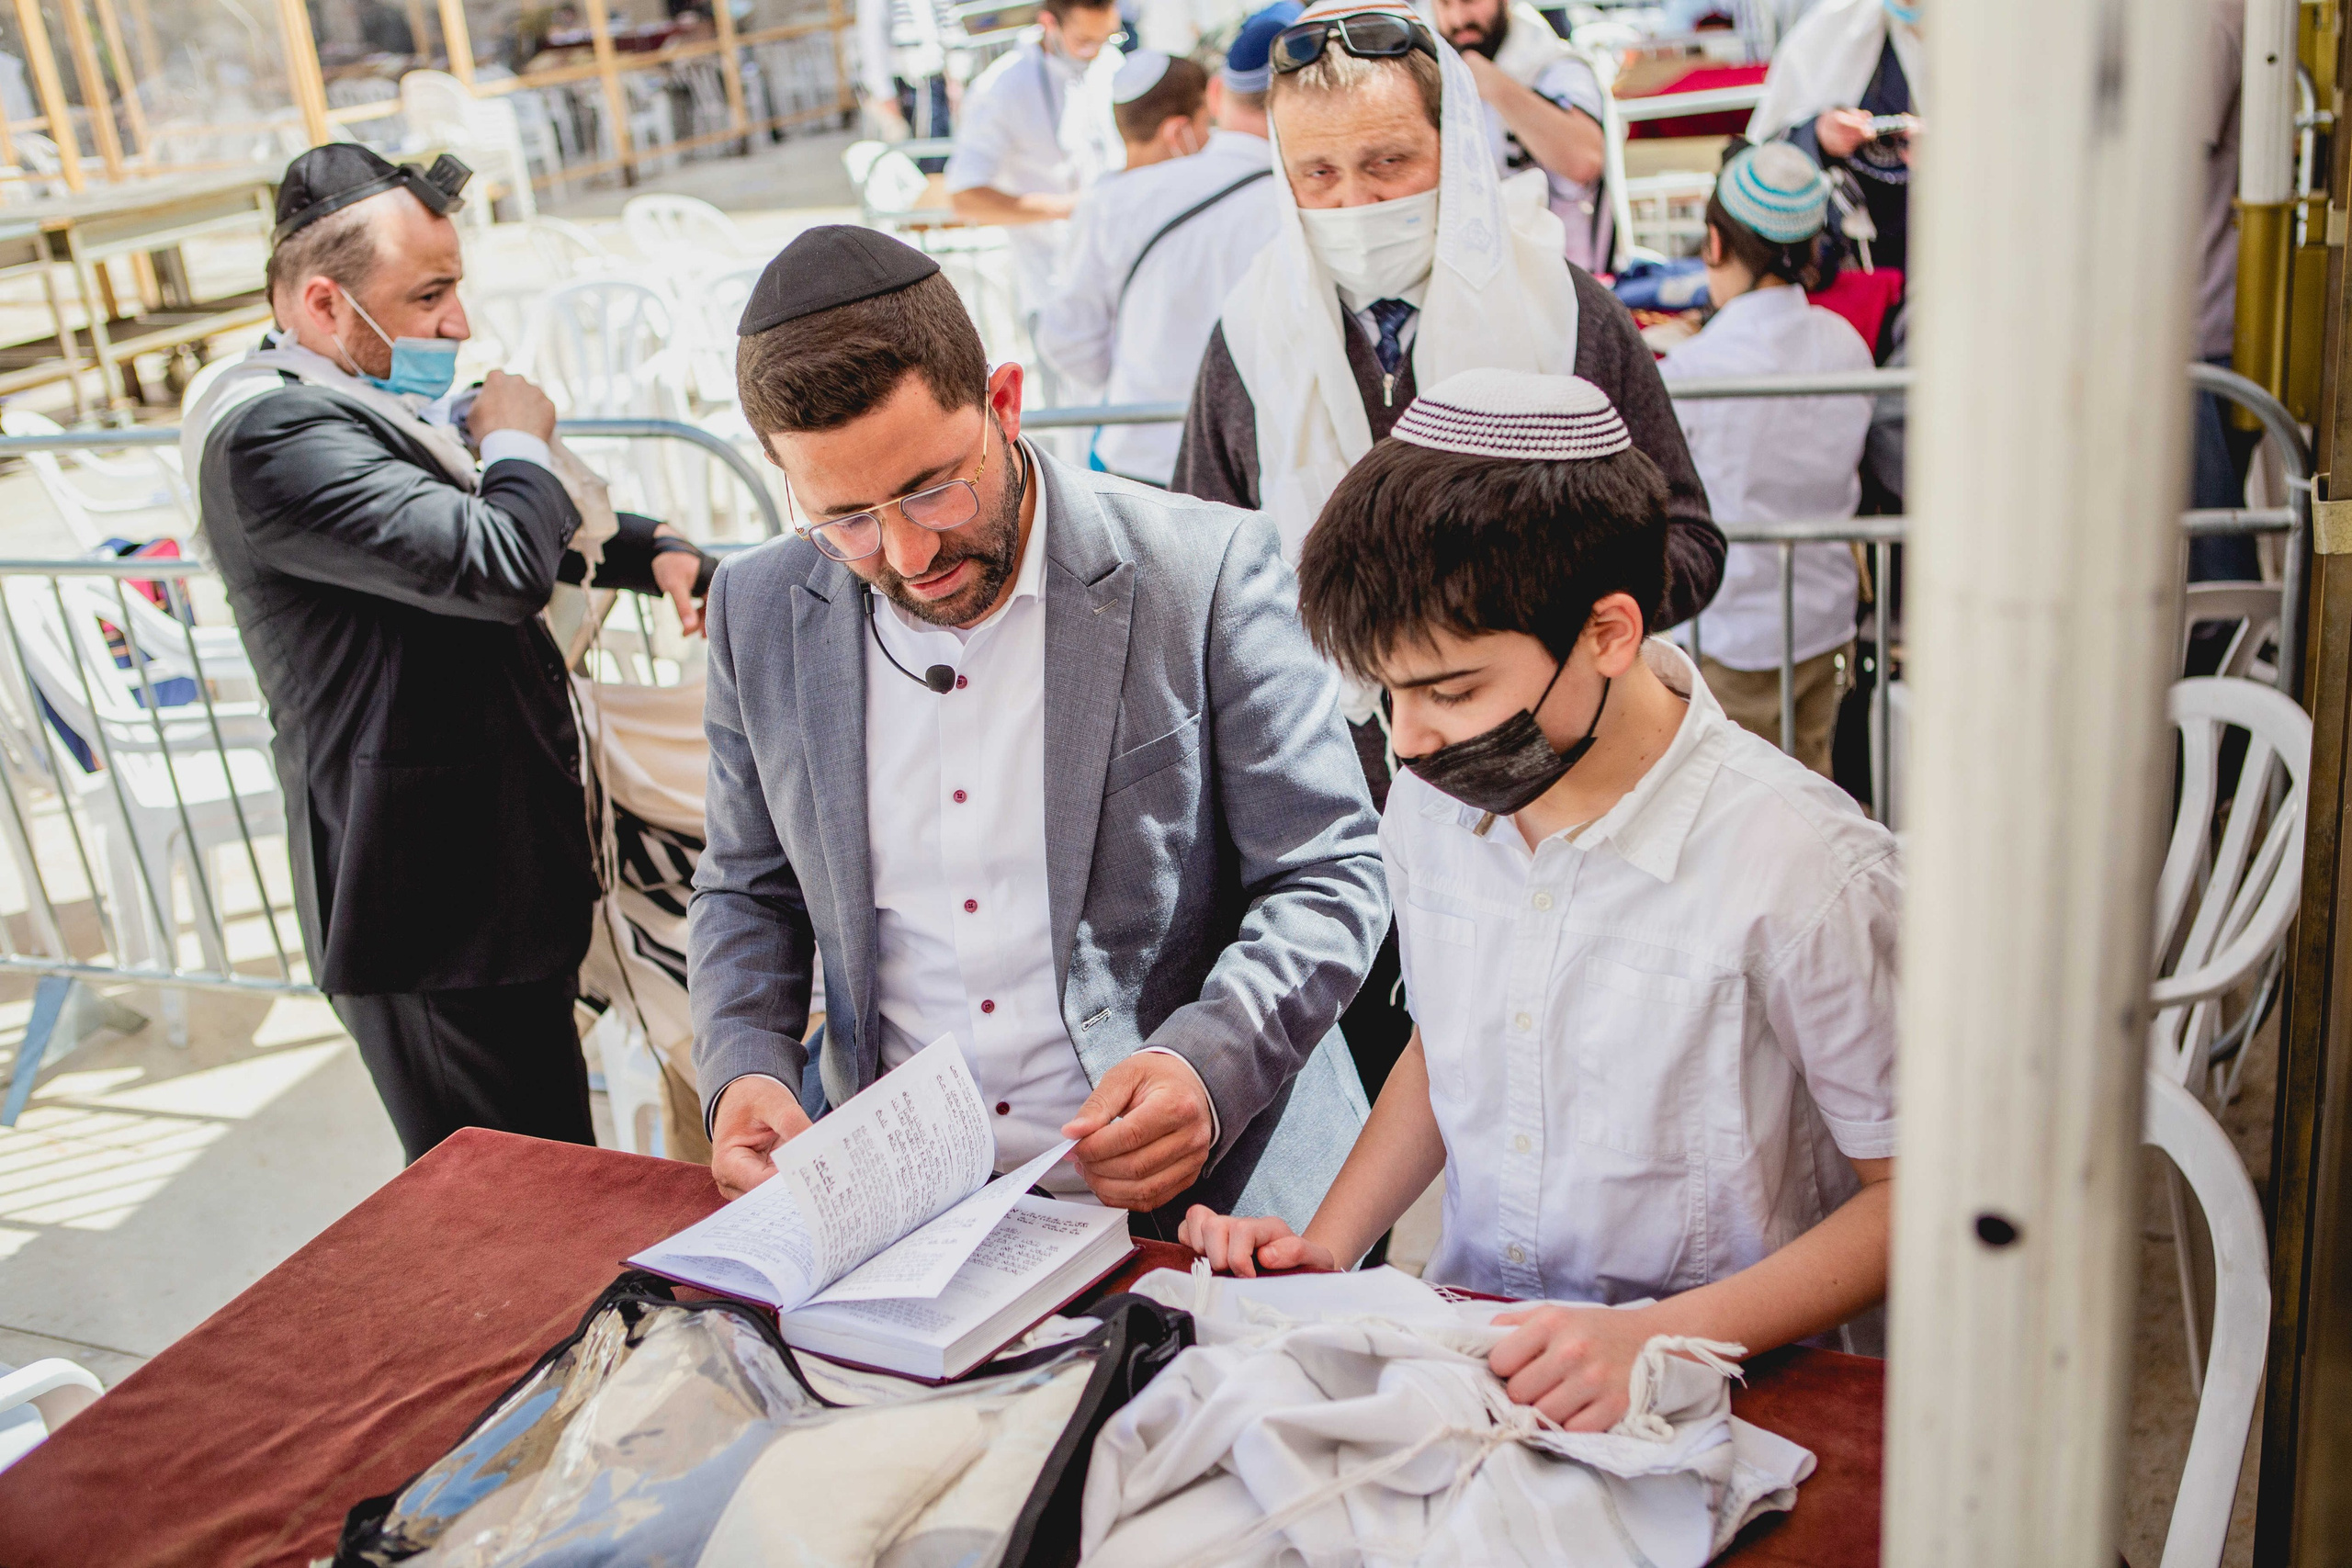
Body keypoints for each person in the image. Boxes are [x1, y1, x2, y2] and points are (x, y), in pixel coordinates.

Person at [1182, 370, 1900, 1424]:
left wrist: (1655, 1339)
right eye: (1389, 693)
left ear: (1608, 632)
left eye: (1453, 690)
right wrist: (1325, 1251)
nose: (1412, 740)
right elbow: (1451, 1049)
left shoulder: (1801, 865)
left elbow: (1913, 1196)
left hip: (1730, 1393)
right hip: (1477, 1358)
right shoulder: (1435, 806)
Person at [691, 227, 1386, 1235]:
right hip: (911, 1218)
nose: (906, 552)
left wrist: (1207, 1064)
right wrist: (744, 1068)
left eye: (933, 489)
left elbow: (1328, 873)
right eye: (845, 519)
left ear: (1004, 403)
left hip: (1213, 1211)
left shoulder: (1203, 570)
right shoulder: (755, 610)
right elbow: (745, 890)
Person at [1171, 0, 1721, 1098]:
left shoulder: (1567, 317)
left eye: (1387, 163)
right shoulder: (1249, 346)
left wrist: (1535, 627)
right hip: (1346, 827)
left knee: (1586, 1101)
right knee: (1389, 1103)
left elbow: (1689, 539)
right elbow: (1207, 580)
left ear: (1454, 151)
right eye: (1316, 175)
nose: (1354, 201)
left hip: (1572, 802)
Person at [185, 146, 715, 1163]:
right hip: (429, 913)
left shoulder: (371, 405)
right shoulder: (275, 438)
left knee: (559, 1171)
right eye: (429, 295)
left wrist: (658, 553)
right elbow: (496, 555)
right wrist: (517, 437)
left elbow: (471, 516)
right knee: (512, 1207)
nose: (460, 324)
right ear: (326, 307)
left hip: (500, 885)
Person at [1659, 143, 1872, 775]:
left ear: (1716, 245)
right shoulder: (1846, 343)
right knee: (1813, 788)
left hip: (1732, 635)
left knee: (1735, 813)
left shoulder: (1695, 369)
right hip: (1824, 622)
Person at [1035, 17, 1289, 485]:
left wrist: (1139, 373)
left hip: (1141, 452)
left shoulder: (1112, 201)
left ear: (1220, 95)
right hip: (1259, 457)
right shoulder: (1301, 195)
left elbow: (1067, 339)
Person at [944, 0, 1125, 312]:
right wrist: (1070, 208)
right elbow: (965, 198)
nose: (1097, 50)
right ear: (1048, 23)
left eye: (1109, 36)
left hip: (1117, 269)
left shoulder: (1110, 61)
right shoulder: (1001, 88)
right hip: (1054, 286)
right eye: (1084, 41)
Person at [1428, 0, 1610, 271]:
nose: (1458, 19)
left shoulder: (1557, 66)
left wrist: (1491, 83)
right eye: (1445, 5)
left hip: (1568, 279)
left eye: (1470, 1)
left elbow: (1585, 160)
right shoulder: (1435, 70)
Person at [1747, 0, 1922, 274]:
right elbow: (1765, 154)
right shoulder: (1829, 31)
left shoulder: (1995, 34)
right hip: (1860, 266)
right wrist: (1819, 135)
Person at [855, 0, 964, 151]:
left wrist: (956, 76)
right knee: (915, 155)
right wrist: (884, 93)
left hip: (935, 82)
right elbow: (872, 40)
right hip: (906, 87)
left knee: (940, 152)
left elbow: (949, 23)